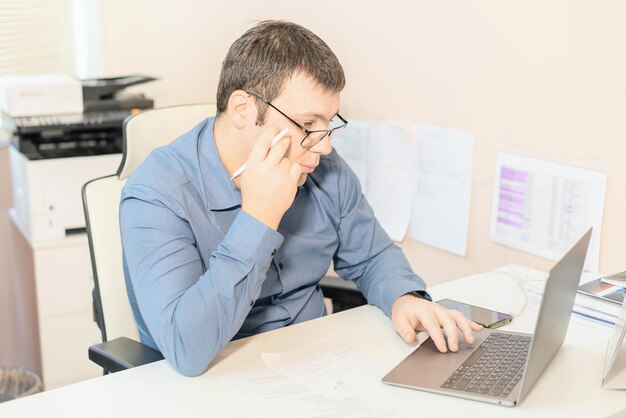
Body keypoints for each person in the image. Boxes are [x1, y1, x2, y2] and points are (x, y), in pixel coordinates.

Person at [120, 20, 483, 377]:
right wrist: (258, 218)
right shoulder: (156, 195)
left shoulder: (320, 165)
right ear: (243, 110)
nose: (324, 145)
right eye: (307, 125)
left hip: (317, 366)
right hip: (218, 375)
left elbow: (372, 255)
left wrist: (404, 298)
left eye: (327, 124)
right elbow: (186, 349)